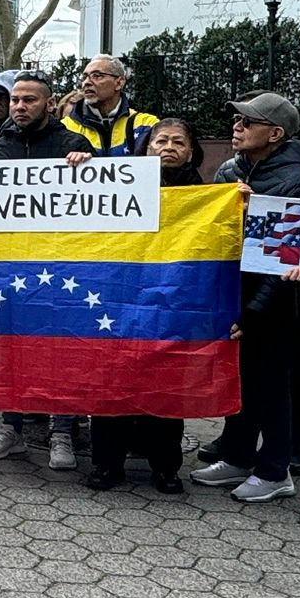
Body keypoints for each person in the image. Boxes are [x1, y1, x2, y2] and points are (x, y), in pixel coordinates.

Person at [191, 91, 300, 504]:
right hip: (233, 289)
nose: (237, 127)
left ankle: (275, 469)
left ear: (275, 133)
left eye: (247, 122)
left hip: (273, 299)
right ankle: (237, 455)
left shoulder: (296, 178)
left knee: (273, 383)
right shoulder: (230, 170)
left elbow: (289, 255)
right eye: (236, 121)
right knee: (243, 376)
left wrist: (254, 311)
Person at [85, 118, 206, 494]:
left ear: (190, 151)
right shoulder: (117, 184)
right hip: (120, 298)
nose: (169, 147)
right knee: (113, 382)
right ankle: (107, 464)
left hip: (172, 302)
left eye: (178, 142)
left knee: (167, 386)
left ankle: (166, 467)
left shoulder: (206, 194)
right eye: (161, 140)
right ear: (146, 147)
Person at [0, 72, 81, 470]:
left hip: (59, 268)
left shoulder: (73, 145)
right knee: (11, 349)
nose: (20, 107)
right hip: (10, 267)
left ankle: (62, 433)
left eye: (29, 100)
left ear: (49, 104)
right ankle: (11, 428)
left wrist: (85, 168)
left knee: (62, 350)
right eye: (15, 100)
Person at [61, 55, 159, 159]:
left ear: (119, 82)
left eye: (97, 75)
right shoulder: (65, 127)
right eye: (84, 77)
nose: (86, 82)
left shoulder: (146, 125)